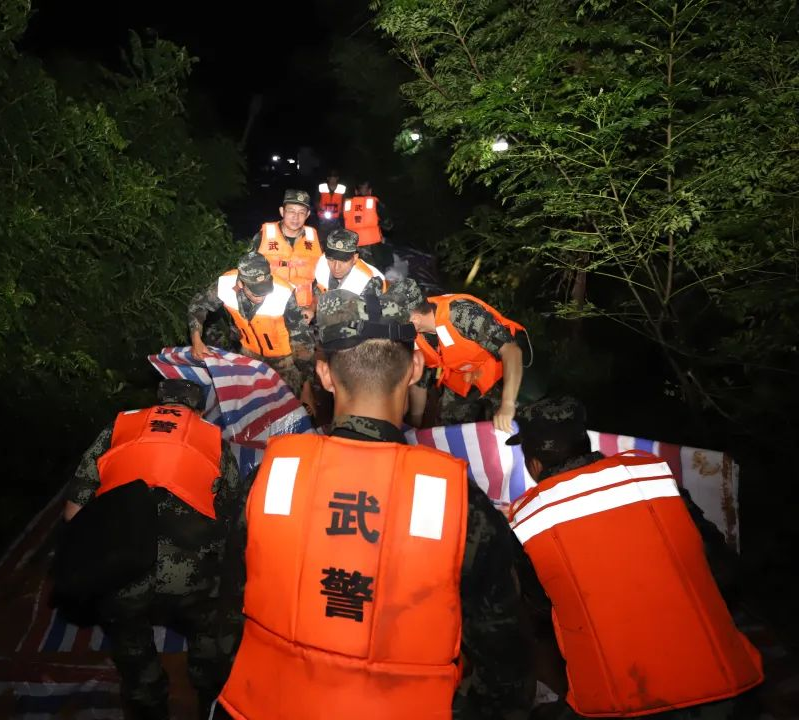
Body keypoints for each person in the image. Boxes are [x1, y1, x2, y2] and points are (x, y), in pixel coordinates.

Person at [213, 289, 532, 719]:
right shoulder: (456, 501)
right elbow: (506, 670)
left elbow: (227, 619)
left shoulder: (270, 478)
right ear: (415, 368)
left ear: (325, 375)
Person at [506, 396, 763, 720]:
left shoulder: (527, 517)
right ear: (585, 441)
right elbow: (721, 566)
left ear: (534, 462)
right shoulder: (650, 473)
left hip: (624, 703)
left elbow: (537, 612)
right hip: (728, 686)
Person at [56, 379, 243, 720]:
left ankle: (148, 703)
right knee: (211, 622)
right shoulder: (212, 438)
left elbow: (73, 512)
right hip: (192, 573)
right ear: (199, 412)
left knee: (129, 636)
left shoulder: (119, 427)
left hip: (123, 565)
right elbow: (231, 517)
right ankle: (211, 695)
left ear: (157, 403)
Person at [390, 278, 524, 432]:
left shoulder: (462, 314)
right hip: (459, 380)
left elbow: (512, 351)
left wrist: (507, 404)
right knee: (446, 432)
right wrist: (415, 424)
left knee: (510, 428)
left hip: (496, 377)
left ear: (415, 319)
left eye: (396, 323)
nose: (394, 329)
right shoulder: (414, 336)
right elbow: (421, 382)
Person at [187, 252, 315, 403]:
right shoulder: (225, 285)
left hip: (284, 361)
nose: (261, 296)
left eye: (265, 289)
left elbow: (300, 337)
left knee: (287, 405)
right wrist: (196, 340)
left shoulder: (283, 293)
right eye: (256, 292)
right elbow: (198, 306)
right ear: (241, 284)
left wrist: (307, 386)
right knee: (248, 404)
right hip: (249, 357)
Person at [247, 189, 323, 309]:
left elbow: (321, 278)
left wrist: (313, 307)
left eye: (301, 212)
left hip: (303, 307)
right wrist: (249, 292)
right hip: (270, 305)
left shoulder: (313, 238)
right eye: (291, 211)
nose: (296, 217)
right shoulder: (264, 235)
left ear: (307, 215)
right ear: (282, 211)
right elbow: (246, 268)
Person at [312, 228, 386, 299]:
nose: (336, 267)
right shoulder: (320, 262)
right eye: (331, 259)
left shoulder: (369, 281)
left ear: (355, 258)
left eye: (343, 261)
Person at [342, 180, 391, 270]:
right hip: (372, 248)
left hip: (351, 246)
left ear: (356, 191)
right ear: (370, 191)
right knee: (375, 272)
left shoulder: (347, 204)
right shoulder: (375, 203)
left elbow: (342, 223)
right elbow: (388, 225)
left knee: (355, 271)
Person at [314, 170, 347, 240]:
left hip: (337, 219)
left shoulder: (342, 188)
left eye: (334, 178)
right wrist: (319, 209)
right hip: (323, 218)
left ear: (337, 178)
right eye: (331, 178)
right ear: (328, 178)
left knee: (336, 239)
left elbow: (345, 202)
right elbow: (316, 200)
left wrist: (342, 212)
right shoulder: (321, 187)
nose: (332, 180)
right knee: (322, 238)